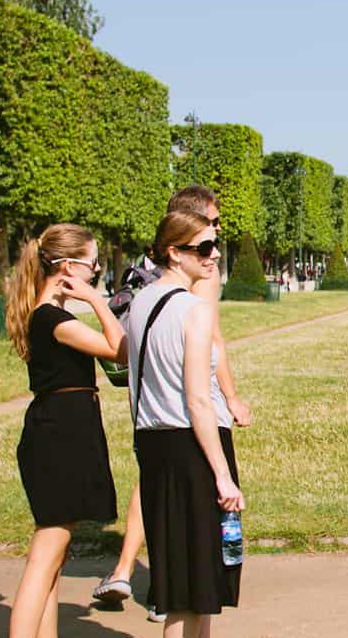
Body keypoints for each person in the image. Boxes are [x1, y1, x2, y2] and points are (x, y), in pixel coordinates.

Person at [97, 185, 252, 614]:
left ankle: (129, 571)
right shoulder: (201, 279)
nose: (217, 237)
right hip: (192, 412)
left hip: (151, 416)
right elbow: (211, 339)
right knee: (203, 517)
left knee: (152, 490)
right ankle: (183, 606)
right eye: (213, 225)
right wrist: (232, 395)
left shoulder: (151, 283)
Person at [0, 225, 126, 638]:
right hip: (60, 436)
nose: (96, 272)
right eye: (92, 265)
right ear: (68, 268)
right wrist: (97, 300)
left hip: (60, 430)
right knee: (44, 559)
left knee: (53, 555)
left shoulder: (46, 313)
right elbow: (120, 349)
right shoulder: (53, 317)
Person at [127, 210, 247, 638]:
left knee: (176, 568)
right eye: (203, 248)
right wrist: (222, 474)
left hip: (153, 444)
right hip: (191, 445)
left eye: (215, 245)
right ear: (174, 252)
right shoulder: (194, 311)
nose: (214, 254)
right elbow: (198, 400)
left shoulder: (139, 303)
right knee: (194, 572)